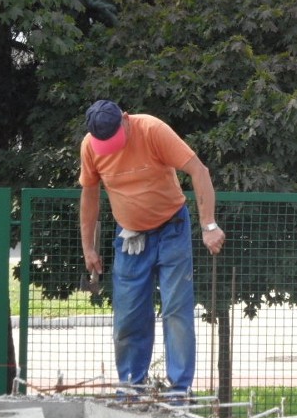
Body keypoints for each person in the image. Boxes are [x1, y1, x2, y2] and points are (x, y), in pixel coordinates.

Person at [79, 100, 225, 393]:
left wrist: (208, 225)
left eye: (115, 139)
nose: (112, 147)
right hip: (131, 239)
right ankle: (132, 387)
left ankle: (179, 391)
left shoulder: (153, 130)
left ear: (126, 119)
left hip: (172, 230)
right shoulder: (91, 147)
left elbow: (199, 170)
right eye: (104, 143)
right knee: (128, 315)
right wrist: (88, 248)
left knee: (176, 311)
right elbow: (90, 195)